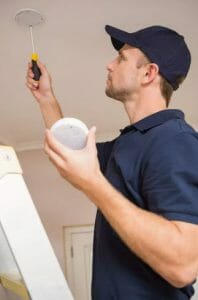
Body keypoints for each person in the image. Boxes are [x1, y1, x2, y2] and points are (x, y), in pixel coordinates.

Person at [26, 25, 198, 300]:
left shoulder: (175, 141)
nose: (109, 64)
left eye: (121, 58)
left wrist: (93, 183)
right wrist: (46, 98)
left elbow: (184, 266)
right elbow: (67, 152)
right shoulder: (129, 143)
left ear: (149, 73)